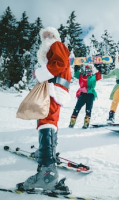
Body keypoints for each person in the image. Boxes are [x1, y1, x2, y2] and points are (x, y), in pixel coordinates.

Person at [21, 27, 71, 191]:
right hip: (55, 89)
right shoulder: (53, 50)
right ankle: (49, 158)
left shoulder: (57, 45)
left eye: (50, 35)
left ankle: (47, 173)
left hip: (53, 89)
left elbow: (60, 64)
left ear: (55, 36)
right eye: (44, 36)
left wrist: (40, 73)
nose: (47, 38)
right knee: (50, 123)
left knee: (45, 121)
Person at [69, 64, 102, 129]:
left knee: (88, 110)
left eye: (90, 70)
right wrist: (77, 67)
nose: (88, 72)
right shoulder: (81, 75)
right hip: (82, 94)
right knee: (76, 109)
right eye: (87, 70)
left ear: (91, 71)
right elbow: (76, 74)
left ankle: (86, 124)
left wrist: (99, 68)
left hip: (90, 94)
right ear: (85, 70)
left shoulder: (94, 76)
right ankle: (71, 123)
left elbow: (100, 75)